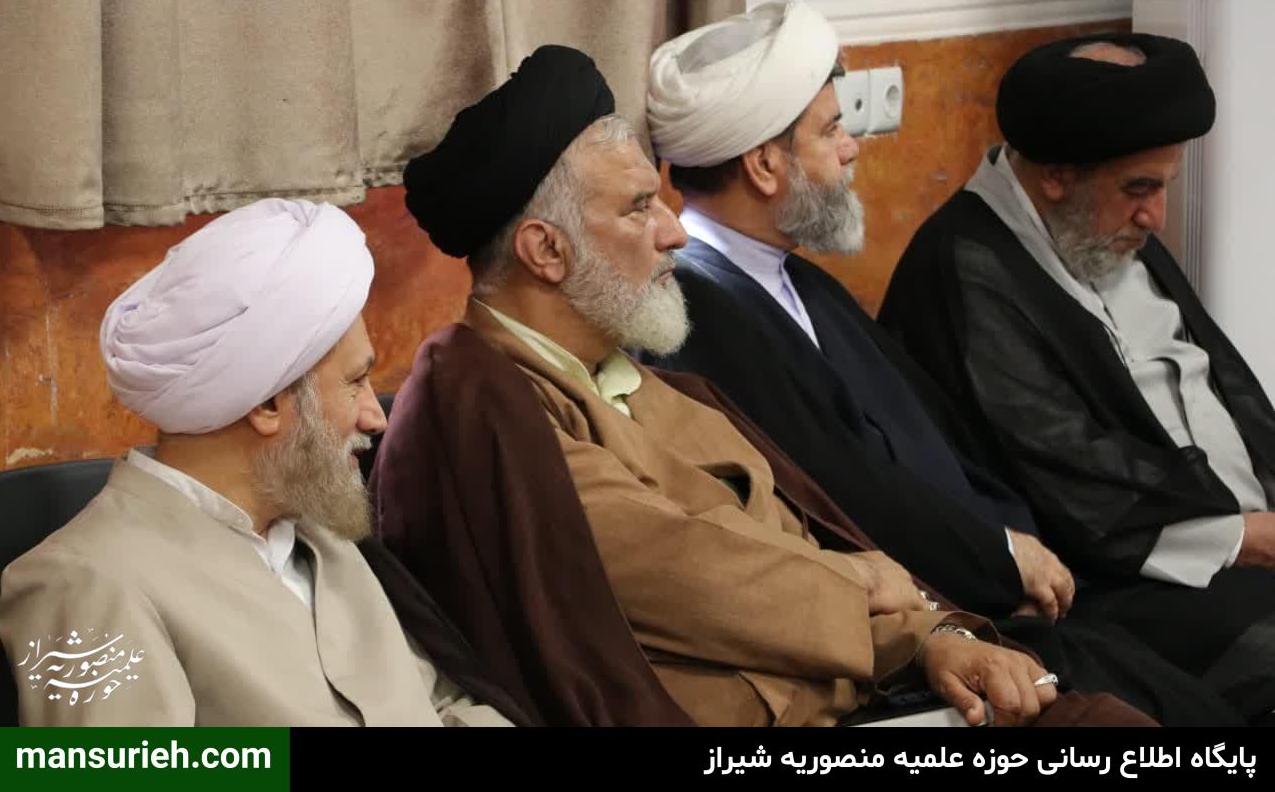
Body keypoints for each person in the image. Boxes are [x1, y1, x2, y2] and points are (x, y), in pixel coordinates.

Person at [385, 43, 1157, 728]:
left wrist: (932, 640)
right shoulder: (482, 401)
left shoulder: (643, 380)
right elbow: (681, 570)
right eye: (639, 208)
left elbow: (787, 536)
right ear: (546, 251)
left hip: (865, 684)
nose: (674, 232)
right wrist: (862, 582)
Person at [637, 0, 1245, 726]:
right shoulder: (702, 314)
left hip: (1002, 595)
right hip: (927, 633)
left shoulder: (795, 279)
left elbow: (943, 434)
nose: (852, 148)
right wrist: (1001, 558)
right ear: (765, 166)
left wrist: (1016, 544)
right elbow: (842, 491)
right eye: (830, 130)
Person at [0, 198, 526, 727]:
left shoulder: (320, 530)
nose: (376, 417)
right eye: (355, 382)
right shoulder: (83, 583)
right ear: (268, 403)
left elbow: (440, 706)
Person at [878, 32, 1275, 723]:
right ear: (1057, 176)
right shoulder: (964, 269)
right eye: (1139, 188)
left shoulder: (1101, 230)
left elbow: (1218, 385)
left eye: (1164, 185)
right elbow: (1067, 485)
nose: (1157, 215)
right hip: (1107, 587)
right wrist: (1244, 537)